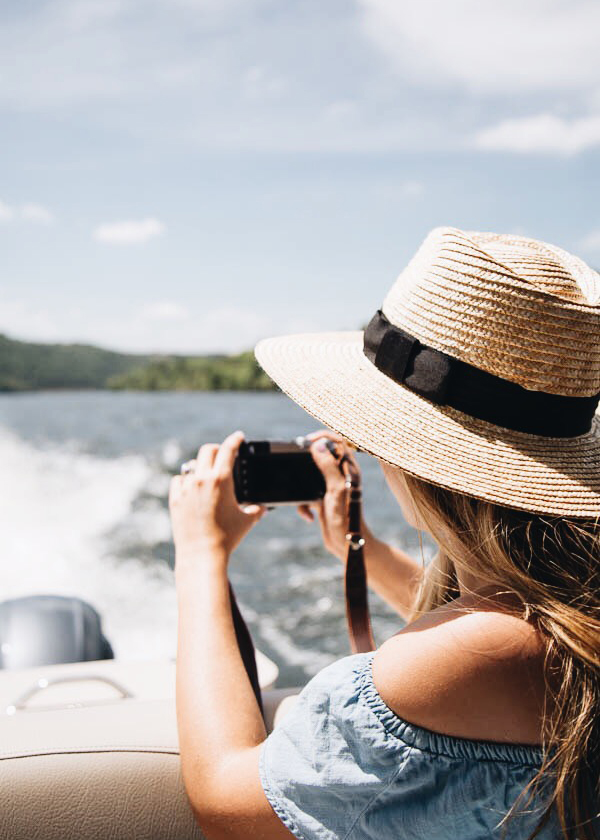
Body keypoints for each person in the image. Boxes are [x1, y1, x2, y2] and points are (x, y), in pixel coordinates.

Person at [169, 227, 600, 840]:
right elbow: (496, 620)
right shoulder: (566, 611)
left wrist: (199, 555)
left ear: (412, 459)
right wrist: (358, 545)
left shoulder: (461, 662)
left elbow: (223, 802)